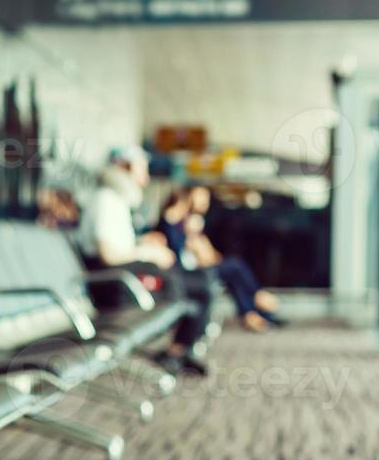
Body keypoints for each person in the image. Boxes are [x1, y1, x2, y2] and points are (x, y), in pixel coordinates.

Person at [80, 147, 212, 376]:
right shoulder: (106, 201)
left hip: (121, 275)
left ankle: (179, 350)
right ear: (124, 168)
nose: (146, 178)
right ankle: (176, 351)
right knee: (198, 286)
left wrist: (144, 244)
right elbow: (109, 256)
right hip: (113, 283)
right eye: (142, 170)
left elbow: (118, 247)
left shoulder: (115, 200)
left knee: (200, 282)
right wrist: (148, 253)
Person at [186, 186, 284, 330]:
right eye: (201, 198)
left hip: (206, 266)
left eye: (206, 198)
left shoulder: (199, 220)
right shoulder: (190, 221)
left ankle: (253, 313)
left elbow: (209, 252)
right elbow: (197, 251)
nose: (204, 202)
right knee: (235, 266)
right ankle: (257, 299)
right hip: (196, 270)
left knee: (235, 279)